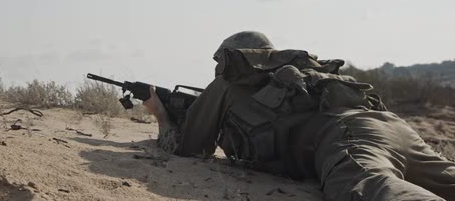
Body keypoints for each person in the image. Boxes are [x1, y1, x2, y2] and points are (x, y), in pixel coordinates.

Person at [143, 31, 455, 201]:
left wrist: (160, 114)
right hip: (394, 128)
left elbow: (187, 148)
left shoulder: (228, 84)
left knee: (364, 186)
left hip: (346, 139)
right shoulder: (300, 73)